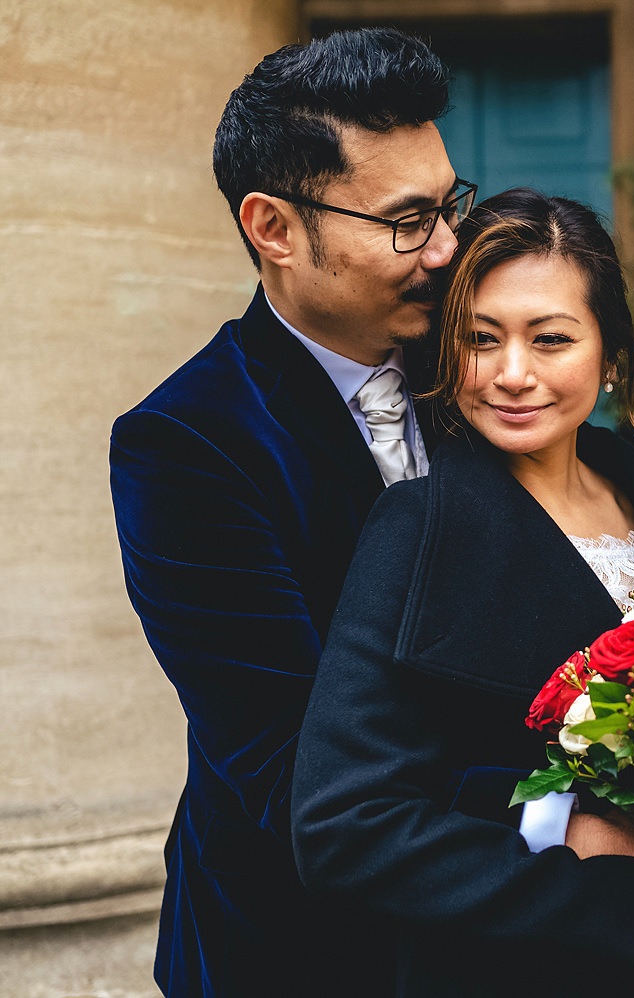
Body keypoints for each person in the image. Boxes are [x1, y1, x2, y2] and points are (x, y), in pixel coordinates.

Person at [290, 189, 634, 995]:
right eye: (481, 340)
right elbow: (344, 826)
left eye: (551, 339)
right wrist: (621, 897)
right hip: (513, 968)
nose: (513, 375)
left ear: (611, 354)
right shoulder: (415, 529)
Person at [109, 28, 470, 995]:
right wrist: (575, 827)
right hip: (299, 947)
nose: (446, 248)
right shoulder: (185, 444)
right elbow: (292, 766)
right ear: (272, 228)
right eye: (407, 221)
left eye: (448, 206)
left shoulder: (488, 366)